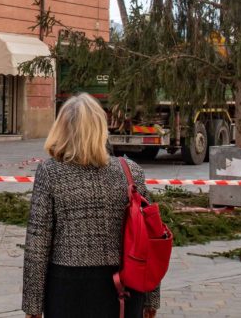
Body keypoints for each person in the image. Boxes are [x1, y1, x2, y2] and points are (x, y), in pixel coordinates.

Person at [22, 93, 160, 318]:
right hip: (126, 285)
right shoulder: (130, 171)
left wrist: (33, 306)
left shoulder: (50, 172)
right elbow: (149, 238)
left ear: (61, 129)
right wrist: (151, 298)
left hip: (68, 287)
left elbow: (38, 243)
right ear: (101, 128)